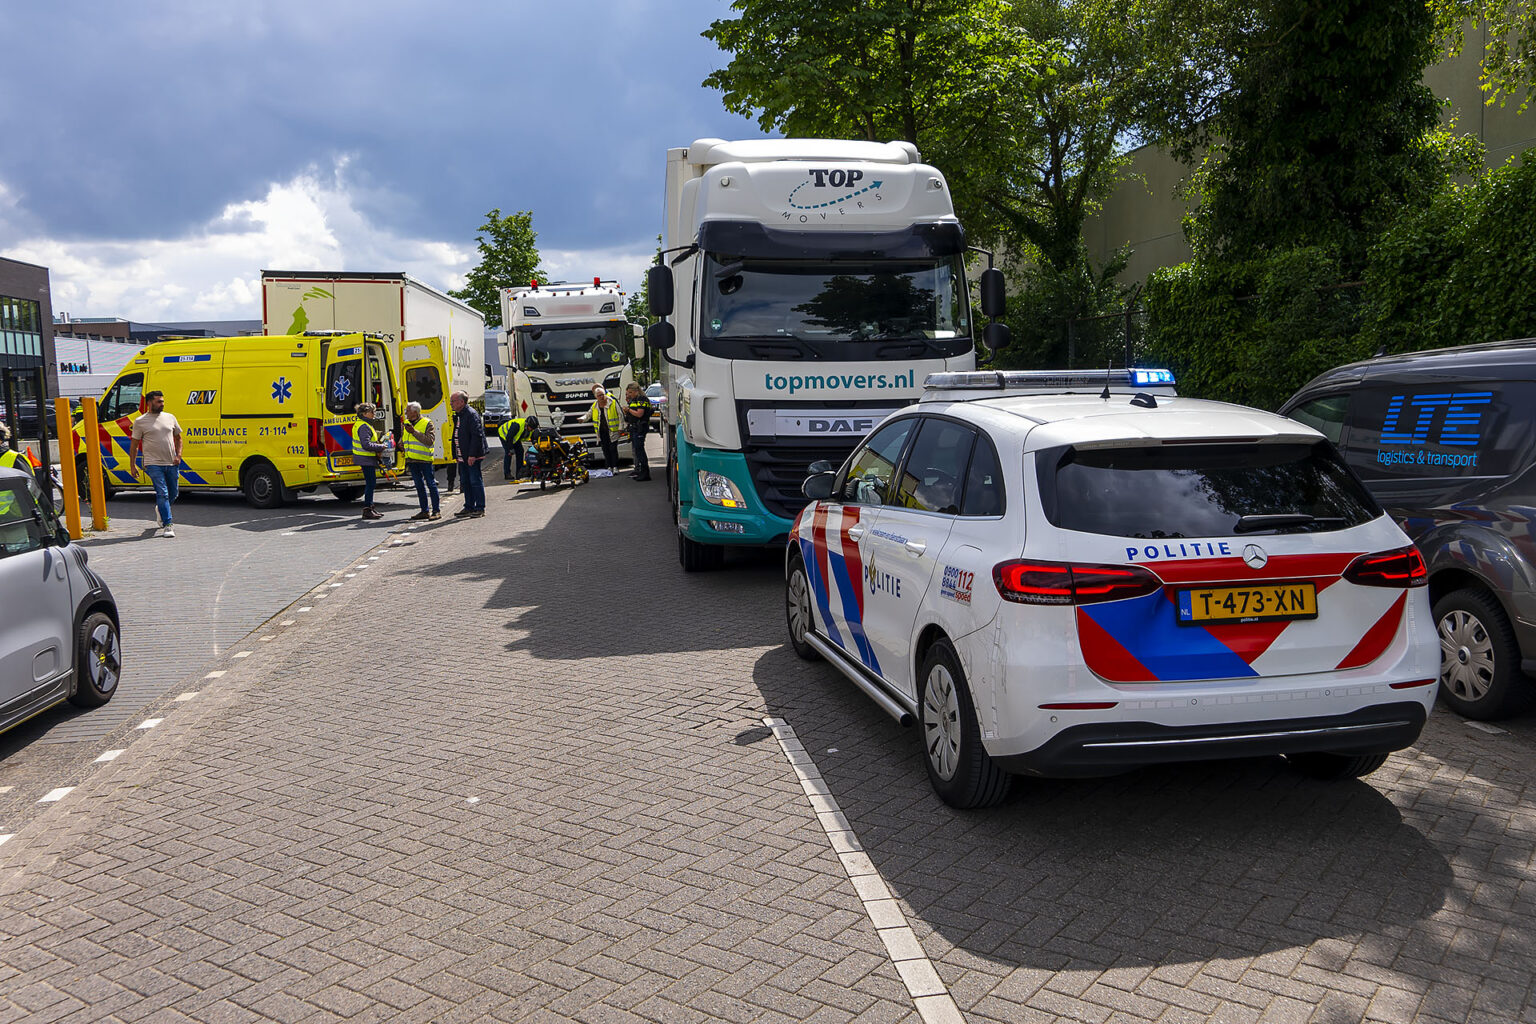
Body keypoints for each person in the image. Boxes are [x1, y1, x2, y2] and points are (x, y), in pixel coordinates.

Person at [128, 390, 183, 538]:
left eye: (163, 401)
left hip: (172, 462)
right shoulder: (140, 421)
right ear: (149, 403)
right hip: (152, 463)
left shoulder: (170, 417)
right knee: (162, 493)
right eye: (159, 401)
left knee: (173, 494)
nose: (162, 404)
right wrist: (132, 465)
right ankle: (168, 525)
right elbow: (134, 446)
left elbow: (178, 438)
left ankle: (161, 509)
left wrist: (178, 455)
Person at [400, 401, 441, 521]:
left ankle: (436, 511)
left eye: (407, 410)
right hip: (412, 460)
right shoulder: (406, 424)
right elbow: (404, 439)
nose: (406, 413)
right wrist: (401, 443)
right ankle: (424, 511)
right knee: (419, 486)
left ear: (414, 412)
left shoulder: (427, 423)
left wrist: (414, 432)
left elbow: (429, 441)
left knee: (431, 485)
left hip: (424, 460)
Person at [450, 390, 486, 517]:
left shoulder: (471, 414)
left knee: (475, 480)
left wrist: (472, 455)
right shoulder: (459, 414)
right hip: (462, 456)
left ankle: (480, 507)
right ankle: (469, 506)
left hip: (471, 456)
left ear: (461, 402)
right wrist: (456, 455)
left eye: (453, 401)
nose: (451, 404)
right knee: (465, 481)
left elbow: (477, 436)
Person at [352, 402, 389, 521]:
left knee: (371, 483)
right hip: (365, 458)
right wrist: (381, 447)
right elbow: (366, 444)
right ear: (364, 413)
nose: (374, 414)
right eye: (372, 412)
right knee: (371, 483)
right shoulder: (364, 426)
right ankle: (367, 509)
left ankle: (370, 508)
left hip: (365, 458)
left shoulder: (362, 424)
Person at [582, 385, 623, 471]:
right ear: (596, 397)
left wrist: (620, 427)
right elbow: (588, 414)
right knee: (605, 449)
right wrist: (582, 419)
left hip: (612, 431)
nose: (601, 397)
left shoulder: (612, 402)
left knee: (613, 449)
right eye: (599, 395)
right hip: (602, 431)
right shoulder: (595, 405)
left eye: (602, 395)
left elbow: (620, 415)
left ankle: (615, 466)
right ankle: (609, 466)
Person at [622, 382, 653, 481]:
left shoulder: (641, 399)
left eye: (630, 392)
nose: (629, 394)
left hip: (640, 427)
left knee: (640, 451)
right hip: (635, 428)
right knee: (638, 451)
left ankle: (645, 473)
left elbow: (639, 414)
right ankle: (641, 472)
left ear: (636, 391)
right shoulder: (635, 400)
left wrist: (628, 410)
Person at [498, 414, 539, 480]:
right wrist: (511, 448)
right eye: (531, 428)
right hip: (505, 435)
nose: (531, 430)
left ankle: (519, 473)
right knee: (509, 454)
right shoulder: (517, 425)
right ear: (527, 425)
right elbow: (509, 437)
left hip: (514, 438)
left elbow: (533, 439)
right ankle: (507, 474)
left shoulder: (531, 429)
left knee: (520, 451)